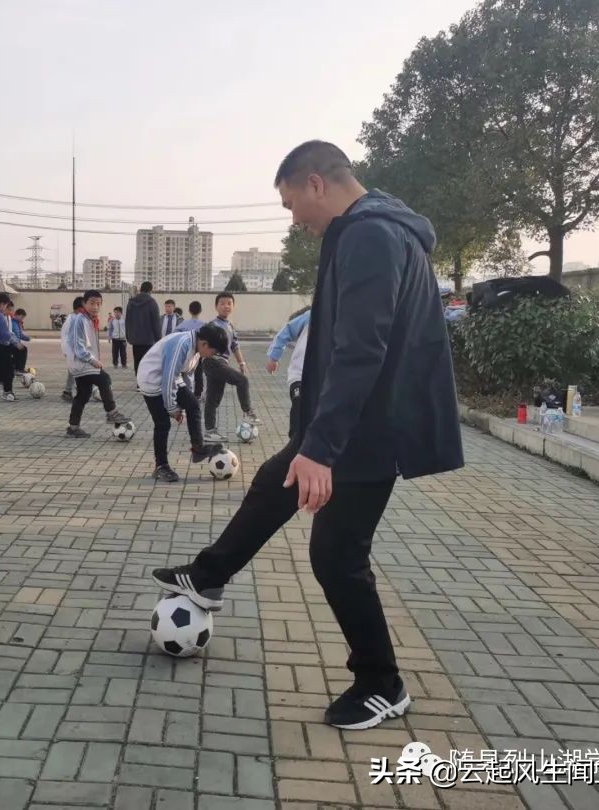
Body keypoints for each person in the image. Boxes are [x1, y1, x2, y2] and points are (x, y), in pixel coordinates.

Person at [152, 139, 464, 731]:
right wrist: (311, 440)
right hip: (353, 422)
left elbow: (361, 349)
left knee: (336, 556)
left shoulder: (371, 235)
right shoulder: (378, 230)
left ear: (316, 184)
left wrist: (322, 448)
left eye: (291, 203)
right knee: (275, 480)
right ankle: (209, 574)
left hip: (368, 429)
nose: (294, 219)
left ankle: (382, 683)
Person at [137, 325, 228, 482]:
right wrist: (172, 408)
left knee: (193, 405)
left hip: (170, 377)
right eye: (213, 352)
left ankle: (198, 449)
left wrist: (185, 406)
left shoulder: (197, 350)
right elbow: (168, 378)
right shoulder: (182, 345)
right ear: (205, 344)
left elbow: (187, 377)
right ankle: (161, 466)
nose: (212, 356)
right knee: (162, 423)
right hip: (151, 378)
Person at [66, 289, 129, 438]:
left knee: (83, 395)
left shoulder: (90, 320)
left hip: (84, 363)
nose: (95, 307)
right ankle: (111, 412)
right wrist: (92, 360)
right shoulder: (80, 320)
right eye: (92, 303)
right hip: (83, 363)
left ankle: (73, 428)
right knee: (104, 379)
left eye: (98, 304)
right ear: (84, 303)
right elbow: (78, 345)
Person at [203, 292, 259, 441]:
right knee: (242, 380)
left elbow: (235, 346)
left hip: (221, 363)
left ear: (233, 306)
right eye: (222, 303)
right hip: (212, 361)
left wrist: (242, 363)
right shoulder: (212, 325)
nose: (226, 306)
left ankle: (210, 432)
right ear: (216, 306)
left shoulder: (230, 326)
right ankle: (248, 412)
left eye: (229, 303)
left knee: (213, 399)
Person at [267, 307, 312, 437]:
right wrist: (274, 357)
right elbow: (286, 331)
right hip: (300, 375)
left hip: (325, 379)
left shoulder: (345, 320)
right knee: (299, 407)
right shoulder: (311, 316)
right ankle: (294, 441)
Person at [125, 281, 162, 372]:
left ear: (140, 289)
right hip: (149, 340)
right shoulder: (152, 303)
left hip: (135, 340)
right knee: (148, 363)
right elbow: (156, 323)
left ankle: (138, 380)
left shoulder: (131, 302)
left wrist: (128, 337)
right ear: (151, 290)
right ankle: (145, 380)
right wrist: (159, 339)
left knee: (137, 363)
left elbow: (127, 320)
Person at [175, 300, 206, 398]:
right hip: (198, 352)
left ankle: (185, 392)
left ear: (189, 310)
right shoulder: (203, 325)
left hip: (185, 351)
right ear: (200, 310)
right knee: (198, 372)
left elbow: (175, 335)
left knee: (184, 372)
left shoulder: (183, 324)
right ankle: (198, 393)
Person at [60, 297, 85, 402]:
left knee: (76, 371)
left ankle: (69, 391)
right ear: (80, 308)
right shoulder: (72, 319)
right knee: (76, 371)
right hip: (73, 351)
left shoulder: (77, 318)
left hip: (78, 350)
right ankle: (69, 391)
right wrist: (67, 351)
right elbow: (66, 336)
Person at [11, 308, 32, 380]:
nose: (22, 319)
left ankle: (19, 368)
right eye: (22, 317)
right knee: (22, 350)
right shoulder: (12, 323)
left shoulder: (17, 323)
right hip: (12, 343)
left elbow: (20, 335)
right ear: (16, 315)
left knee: (23, 349)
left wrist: (27, 338)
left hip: (16, 343)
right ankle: (18, 369)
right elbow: (12, 335)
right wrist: (16, 343)